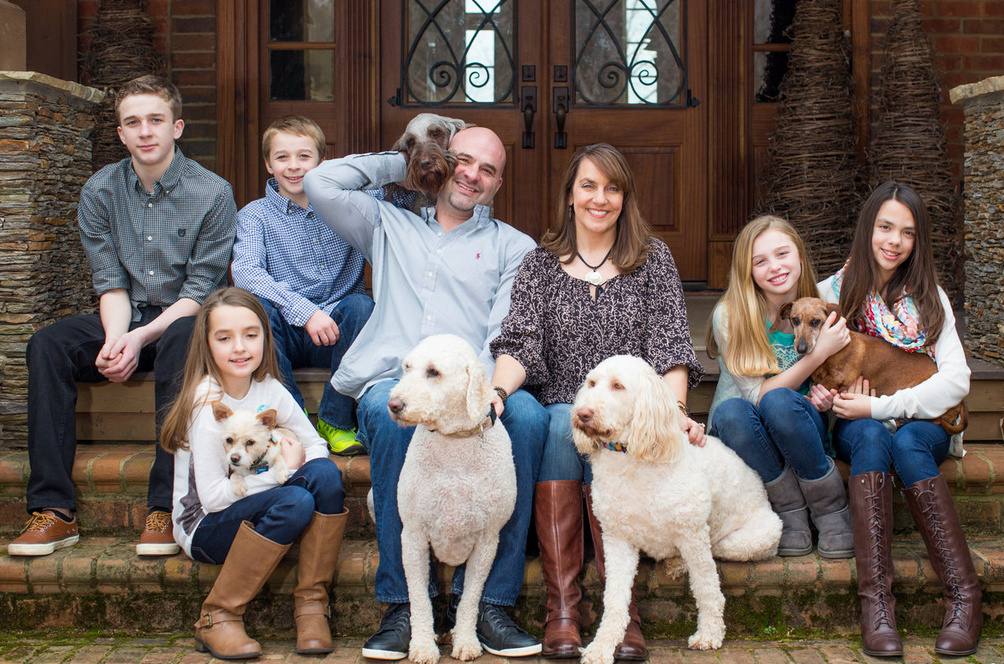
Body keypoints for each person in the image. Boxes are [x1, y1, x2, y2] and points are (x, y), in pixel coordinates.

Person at [303, 126, 548, 660]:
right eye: (461, 161)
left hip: (471, 383)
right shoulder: (386, 225)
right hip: (395, 379)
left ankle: (490, 604)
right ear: (443, 162)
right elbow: (321, 182)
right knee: (385, 413)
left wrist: (479, 399)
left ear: (498, 183)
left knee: (528, 419)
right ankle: (402, 607)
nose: (471, 175)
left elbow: (504, 335)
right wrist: (408, 162)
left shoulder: (515, 247)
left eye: (486, 169)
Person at [489, 143, 705, 660]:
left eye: (612, 188)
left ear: (625, 197)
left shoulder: (652, 260)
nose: (599, 198)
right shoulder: (540, 265)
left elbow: (672, 343)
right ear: (569, 195)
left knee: (585, 431)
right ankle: (563, 608)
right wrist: (497, 392)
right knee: (566, 422)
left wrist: (675, 413)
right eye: (588, 186)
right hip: (566, 408)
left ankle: (621, 613)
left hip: (631, 420)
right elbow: (521, 343)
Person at [7, 75, 237, 558]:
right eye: (133, 122)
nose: (144, 131)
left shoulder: (213, 193)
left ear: (176, 127)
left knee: (178, 335)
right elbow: (108, 279)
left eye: (155, 120)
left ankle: (163, 507)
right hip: (124, 315)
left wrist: (139, 339)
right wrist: (117, 339)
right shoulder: (101, 189)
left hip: (184, 320)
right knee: (47, 344)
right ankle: (53, 510)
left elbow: (200, 291)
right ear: (120, 134)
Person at [819, 181, 980, 658]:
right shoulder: (834, 292)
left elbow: (956, 384)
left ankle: (963, 597)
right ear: (868, 228)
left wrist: (883, 406)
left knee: (907, 442)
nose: (893, 240)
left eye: (907, 233)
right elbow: (813, 364)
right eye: (885, 227)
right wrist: (831, 396)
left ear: (918, 241)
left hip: (921, 421)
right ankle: (877, 607)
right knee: (869, 435)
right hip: (858, 420)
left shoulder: (933, 299)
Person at [160, 287, 347, 659]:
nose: (240, 347)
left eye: (251, 334)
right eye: (224, 338)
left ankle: (311, 606)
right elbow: (212, 499)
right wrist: (283, 473)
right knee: (295, 500)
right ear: (207, 344)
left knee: (325, 474)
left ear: (265, 335)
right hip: (204, 526)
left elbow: (315, 446)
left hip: (251, 503)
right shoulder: (207, 404)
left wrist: (293, 464)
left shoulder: (269, 389)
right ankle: (219, 616)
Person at [706, 215, 854, 560]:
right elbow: (757, 397)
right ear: (747, 270)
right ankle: (789, 514)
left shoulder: (824, 301)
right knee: (736, 410)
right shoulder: (732, 314)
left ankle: (831, 512)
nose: (775, 267)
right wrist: (818, 354)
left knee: (783, 404)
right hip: (748, 432)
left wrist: (835, 395)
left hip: (800, 425)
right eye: (760, 261)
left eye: (783, 254)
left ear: (800, 256)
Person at [231, 115, 374, 456]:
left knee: (362, 306)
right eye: (282, 157)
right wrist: (305, 312)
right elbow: (246, 272)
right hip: (286, 334)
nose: (293, 167)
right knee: (256, 310)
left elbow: (401, 193)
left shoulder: (348, 204)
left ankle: (336, 419)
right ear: (268, 163)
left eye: (304, 156)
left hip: (340, 332)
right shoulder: (255, 215)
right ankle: (293, 424)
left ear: (322, 162)